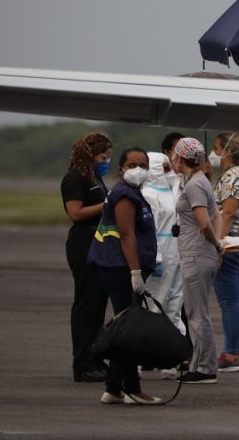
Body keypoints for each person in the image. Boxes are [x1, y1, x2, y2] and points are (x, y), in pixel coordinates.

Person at [86, 147, 162, 404]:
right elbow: (127, 235)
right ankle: (131, 388)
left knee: (123, 326)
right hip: (120, 268)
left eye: (142, 164)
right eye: (131, 164)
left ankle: (115, 388)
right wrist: (135, 272)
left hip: (121, 267)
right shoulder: (124, 196)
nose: (137, 169)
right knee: (128, 330)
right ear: (121, 169)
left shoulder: (133, 193)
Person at [60, 131, 113, 383]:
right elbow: (75, 212)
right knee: (85, 305)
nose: (106, 161)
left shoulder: (95, 178)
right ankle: (82, 364)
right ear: (91, 154)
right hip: (83, 244)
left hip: (100, 244)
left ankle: (95, 358)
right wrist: (106, 206)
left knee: (98, 305)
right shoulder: (75, 178)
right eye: (104, 156)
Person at [171, 136, 223, 384]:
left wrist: (217, 245)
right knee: (198, 312)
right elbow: (217, 216)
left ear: (180, 158)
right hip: (202, 254)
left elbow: (204, 223)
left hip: (196, 254)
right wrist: (217, 247)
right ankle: (203, 363)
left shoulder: (194, 185)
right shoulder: (200, 181)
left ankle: (204, 367)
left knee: (196, 313)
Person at [210, 132, 239, 374]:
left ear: (226, 152)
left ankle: (229, 353)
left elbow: (227, 213)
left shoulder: (231, 177)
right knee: (238, 300)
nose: (213, 153)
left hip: (231, 240)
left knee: (229, 301)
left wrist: (219, 244)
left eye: (216, 149)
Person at [142, 152, 186, 343]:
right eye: (165, 168)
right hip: (160, 256)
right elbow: (149, 229)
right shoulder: (148, 194)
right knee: (153, 305)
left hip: (175, 255)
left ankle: (172, 356)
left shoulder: (171, 190)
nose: (171, 172)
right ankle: (145, 355)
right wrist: (156, 257)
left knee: (174, 305)